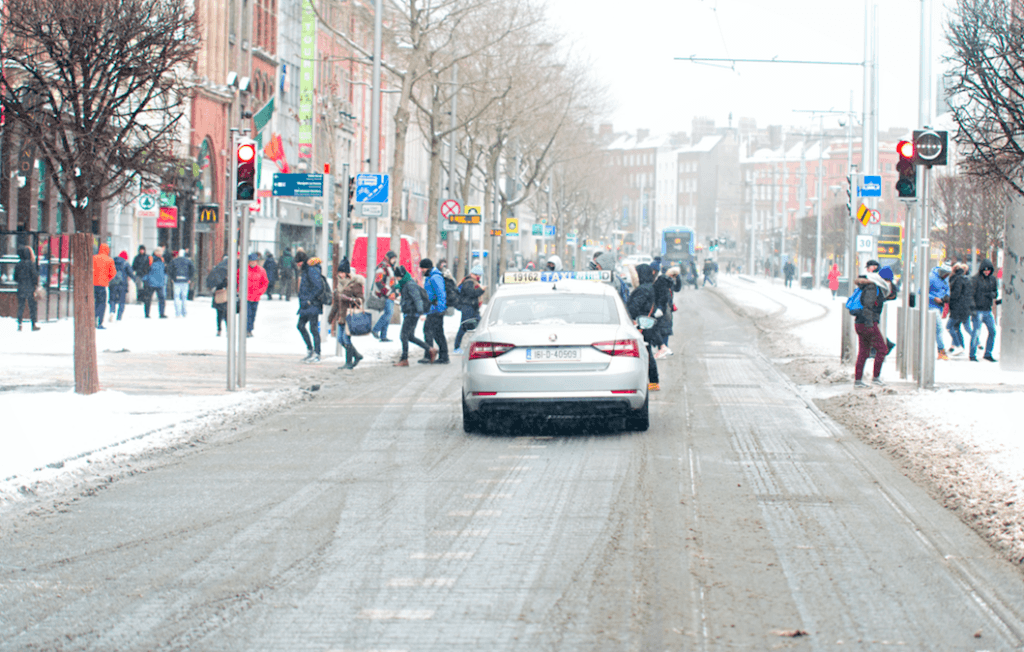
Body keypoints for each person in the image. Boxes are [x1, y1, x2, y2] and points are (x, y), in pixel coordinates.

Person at [853, 266, 897, 388]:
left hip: (860, 323)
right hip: (867, 323)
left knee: (864, 352)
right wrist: (870, 324)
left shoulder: (870, 287)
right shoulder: (873, 288)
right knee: (882, 349)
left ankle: (858, 381)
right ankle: (876, 378)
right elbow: (868, 306)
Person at [627, 263, 661, 391]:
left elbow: (634, 307)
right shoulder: (650, 287)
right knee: (646, 352)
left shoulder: (643, 289)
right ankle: (653, 380)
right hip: (646, 324)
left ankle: (653, 381)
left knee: (645, 353)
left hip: (641, 325)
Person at [327, 259, 365, 369]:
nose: (340, 275)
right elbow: (336, 304)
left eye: (342, 272)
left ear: (347, 273)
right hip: (341, 317)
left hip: (350, 316)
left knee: (346, 339)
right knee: (340, 339)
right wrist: (330, 318)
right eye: (339, 272)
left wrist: (349, 299)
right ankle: (357, 355)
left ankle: (348, 362)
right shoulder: (339, 285)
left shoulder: (355, 284)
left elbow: (361, 300)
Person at [393, 265, 431, 366]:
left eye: (397, 277)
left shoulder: (410, 285)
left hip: (412, 314)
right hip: (411, 313)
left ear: (401, 276)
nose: (397, 279)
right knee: (410, 336)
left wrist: (421, 313)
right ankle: (430, 349)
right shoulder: (406, 284)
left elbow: (417, 299)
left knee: (403, 335)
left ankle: (404, 359)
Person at [296, 255, 325, 362]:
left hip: (312, 304)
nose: (298, 264)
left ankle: (317, 352)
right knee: (300, 326)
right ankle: (311, 349)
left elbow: (318, 287)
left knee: (313, 328)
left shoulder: (311, 270)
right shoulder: (306, 270)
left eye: (299, 262)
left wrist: (309, 300)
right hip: (306, 305)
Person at [420, 258, 449, 364]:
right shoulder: (431, 277)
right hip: (433, 309)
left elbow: (441, 294)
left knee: (429, 331)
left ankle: (430, 355)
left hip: (436, 310)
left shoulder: (435, 277)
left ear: (428, 267)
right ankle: (443, 356)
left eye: (423, 268)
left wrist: (440, 309)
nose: (422, 270)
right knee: (437, 333)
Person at [970, 259, 999, 362]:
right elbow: (971, 294)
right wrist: (972, 308)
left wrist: (992, 295)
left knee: (993, 331)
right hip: (978, 309)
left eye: (989, 270)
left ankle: (988, 353)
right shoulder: (975, 279)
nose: (987, 272)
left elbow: (995, 292)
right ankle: (972, 354)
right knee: (976, 332)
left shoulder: (993, 279)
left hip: (987, 309)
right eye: (985, 270)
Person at [453, 265, 486, 354]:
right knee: (464, 327)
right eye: (478, 275)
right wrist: (481, 290)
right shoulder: (469, 282)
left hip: (472, 307)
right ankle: (456, 347)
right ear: (473, 274)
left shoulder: (470, 281)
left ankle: (478, 345)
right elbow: (471, 293)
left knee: (480, 325)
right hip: (468, 307)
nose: (479, 277)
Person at [946, 262, 974, 357]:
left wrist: (948, 297)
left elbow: (956, 294)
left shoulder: (957, 279)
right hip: (964, 308)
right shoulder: (965, 279)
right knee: (957, 328)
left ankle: (958, 346)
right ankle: (960, 346)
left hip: (957, 308)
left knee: (949, 326)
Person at [371, 250, 398, 342]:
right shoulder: (383, 267)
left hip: (389, 294)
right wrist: (388, 292)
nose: (394, 260)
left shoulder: (389, 267)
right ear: (389, 258)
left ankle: (383, 335)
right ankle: (375, 329)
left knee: (388, 314)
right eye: (393, 258)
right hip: (386, 294)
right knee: (388, 313)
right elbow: (378, 281)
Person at [14, 245, 41, 331]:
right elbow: (34, 276)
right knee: (32, 306)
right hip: (30, 288)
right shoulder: (30, 264)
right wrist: (35, 284)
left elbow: (15, 277)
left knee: (21, 306)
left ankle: (20, 324)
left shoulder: (18, 264)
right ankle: (33, 324)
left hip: (21, 288)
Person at [241, 253, 269, 337]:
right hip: (246, 296)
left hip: (256, 297)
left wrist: (260, 292)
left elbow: (265, 282)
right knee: (247, 314)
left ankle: (250, 329)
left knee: (253, 314)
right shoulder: (244, 270)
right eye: (251, 261)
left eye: (254, 261)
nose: (252, 262)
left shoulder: (261, 270)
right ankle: (247, 330)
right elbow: (238, 280)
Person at [929, 262, 952, 360]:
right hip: (931, 306)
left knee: (936, 330)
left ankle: (940, 350)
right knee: (939, 329)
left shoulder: (945, 278)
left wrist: (946, 295)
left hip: (939, 306)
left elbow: (947, 288)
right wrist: (934, 298)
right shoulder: (931, 277)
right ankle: (941, 350)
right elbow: (921, 291)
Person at [652, 266, 675, 358]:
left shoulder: (659, 288)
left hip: (662, 313)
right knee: (664, 331)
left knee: (660, 330)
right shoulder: (667, 288)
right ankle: (663, 348)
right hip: (667, 313)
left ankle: (662, 349)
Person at [92, 243, 116, 329]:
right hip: (103, 285)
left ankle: (93, 317)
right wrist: (107, 279)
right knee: (102, 303)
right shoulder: (109, 260)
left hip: (93, 284)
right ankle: (100, 322)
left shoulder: (94, 258)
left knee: (94, 302)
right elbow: (112, 273)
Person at [107, 251, 135, 321]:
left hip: (113, 284)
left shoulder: (112, 262)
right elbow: (131, 273)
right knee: (122, 301)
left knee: (112, 299)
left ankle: (112, 311)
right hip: (123, 284)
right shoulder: (126, 263)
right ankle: (119, 317)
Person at [168, 248, 195, 317]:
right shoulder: (188, 261)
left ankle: (177, 312)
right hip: (185, 281)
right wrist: (189, 278)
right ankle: (184, 312)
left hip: (176, 280)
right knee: (184, 297)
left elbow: (170, 269)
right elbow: (192, 269)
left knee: (176, 296)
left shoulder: (174, 261)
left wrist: (172, 278)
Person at [142, 248, 168, 318]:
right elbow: (145, 269)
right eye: (159, 253)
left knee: (161, 299)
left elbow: (165, 270)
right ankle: (147, 314)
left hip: (159, 282)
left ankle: (162, 313)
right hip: (151, 282)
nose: (160, 254)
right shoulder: (150, 259)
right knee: (149, 299)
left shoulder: (162, 259)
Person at [207, 255, 229, 336]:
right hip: (224, 296)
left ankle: (220, 329)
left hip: (219, 296)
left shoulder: (216, 271)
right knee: (225, 313)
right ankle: (224, 329)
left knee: (220, 314)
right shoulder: (222, 273)